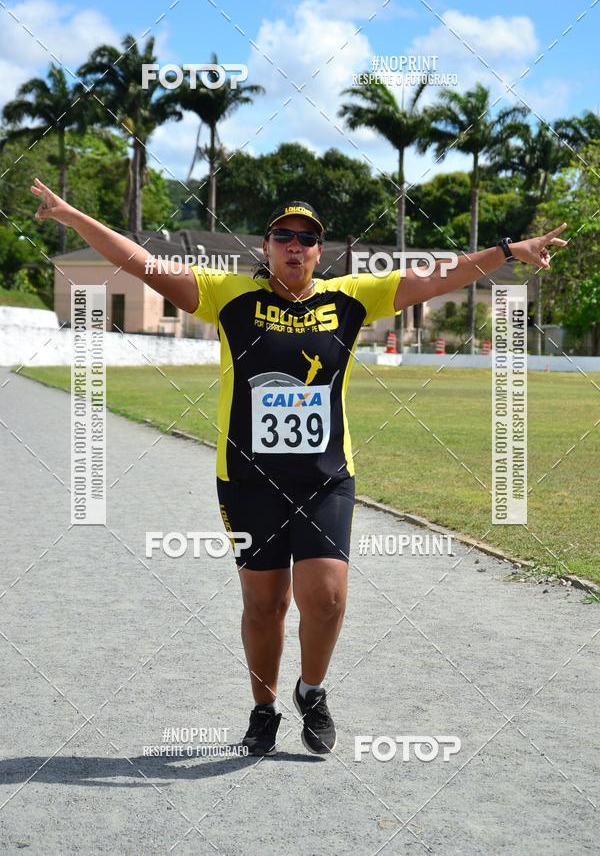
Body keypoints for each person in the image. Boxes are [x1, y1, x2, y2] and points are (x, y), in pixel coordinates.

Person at [30, 178, 567, 758]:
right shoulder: (227, 294)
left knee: (328, 597)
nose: (295, 245)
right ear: (266, 246)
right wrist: (75, 216)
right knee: (265, 605)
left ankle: (312, 690)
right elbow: (142, 264)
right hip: (248, 480)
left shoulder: (352, 298)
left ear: (319, 251)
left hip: (325, 479)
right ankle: (264, 711)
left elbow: (441, 274)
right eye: (283, 235)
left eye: (306, 238)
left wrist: (507, 252)